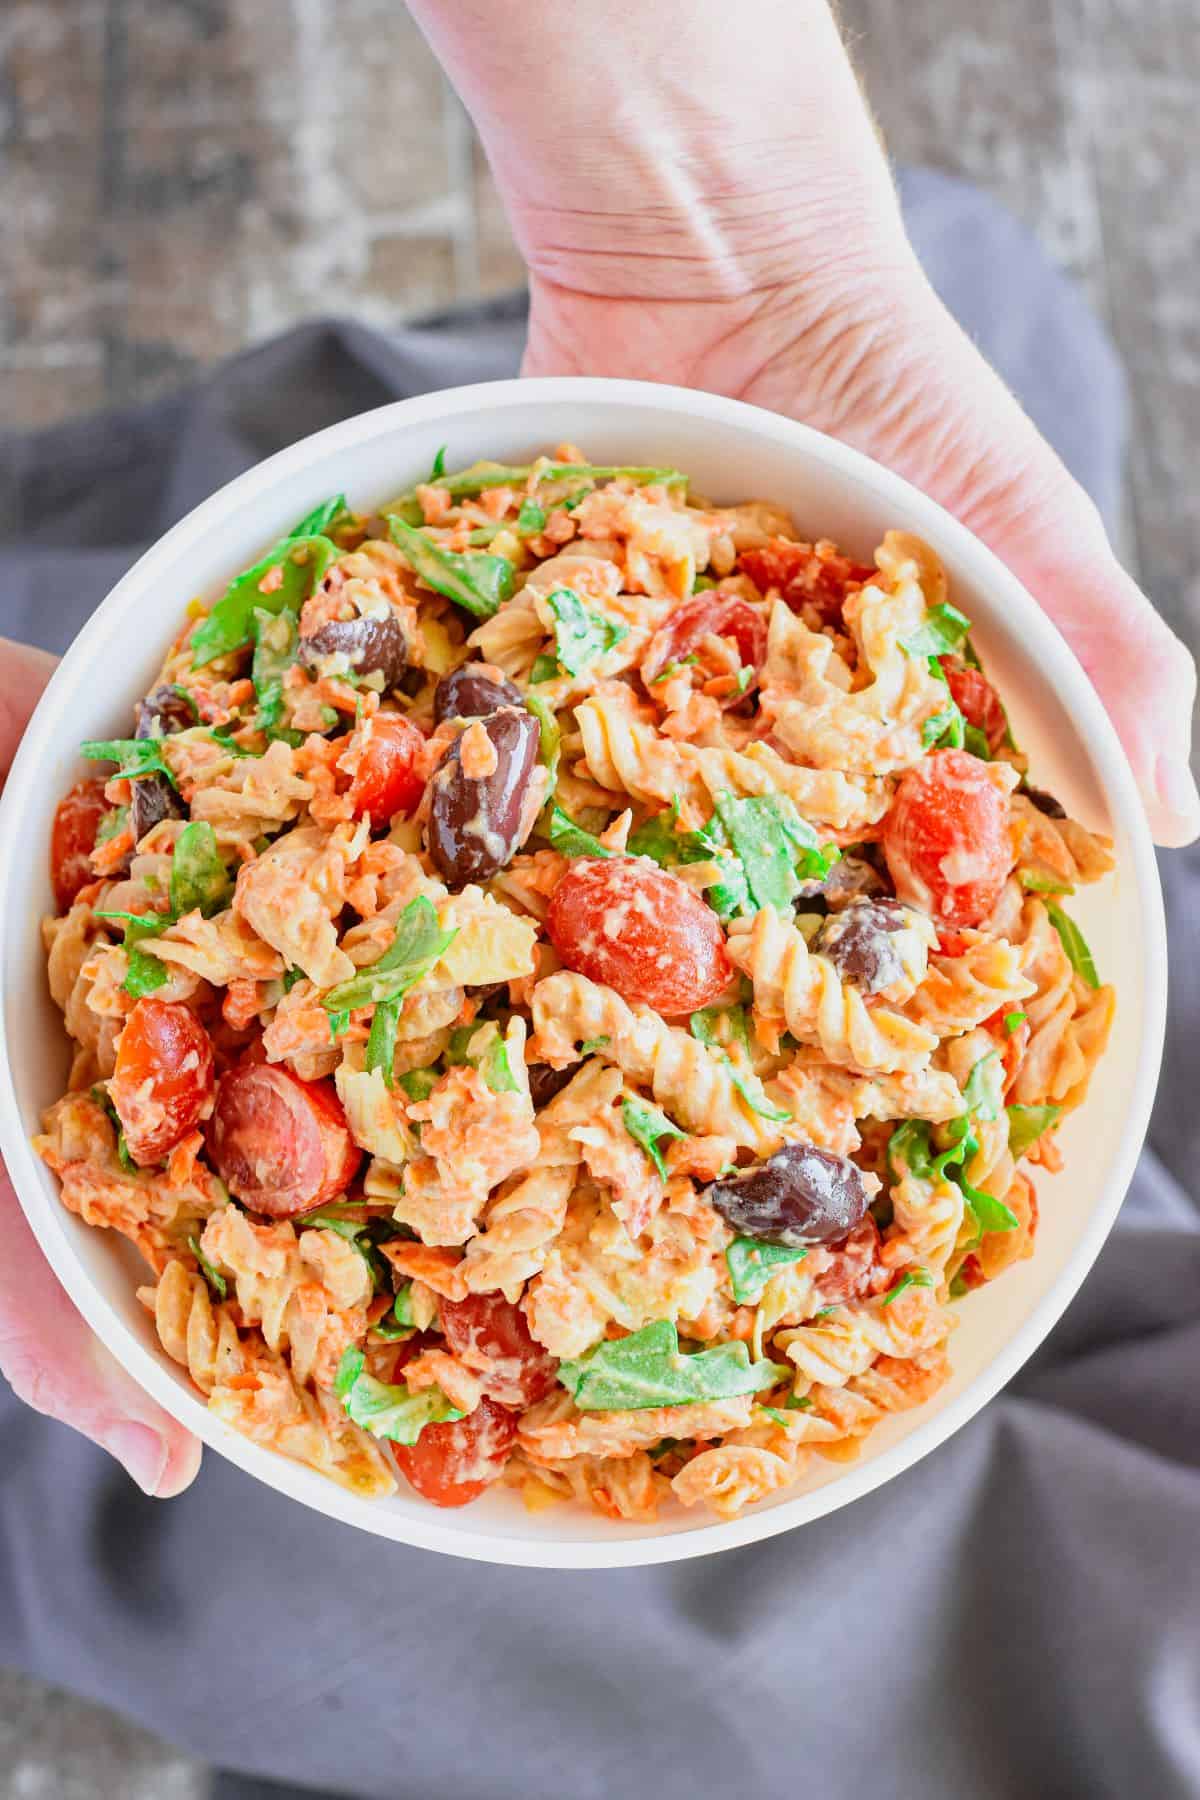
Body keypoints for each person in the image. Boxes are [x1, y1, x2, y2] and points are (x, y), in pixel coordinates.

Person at [1, 6, 1197, 1795]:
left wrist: (749, 250)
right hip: (399, 858)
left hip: (679, 1166)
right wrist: (726, 233)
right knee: (988, 276)